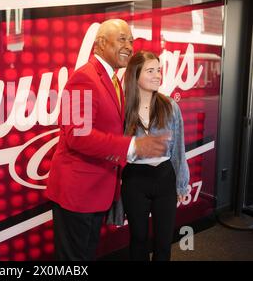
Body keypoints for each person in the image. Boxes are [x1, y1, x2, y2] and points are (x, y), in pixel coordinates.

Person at [46, 19, 170, 261]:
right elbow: (76, 136)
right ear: (100, 43)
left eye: (131, 41)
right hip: (77, 196)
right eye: (122, 39)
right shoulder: (81, 78)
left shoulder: (113, 79)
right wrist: (132, 146)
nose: (129, 46)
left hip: (96, 193)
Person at [122, 50, 190, 261]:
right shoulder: (122, 108)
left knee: (163, 241)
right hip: (135, 179)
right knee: (138, 238)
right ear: (135, 75)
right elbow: (115, 148)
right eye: (150, 70)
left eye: (159, 70)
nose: (157, 75)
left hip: (165, 177)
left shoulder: (170, 106)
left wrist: (181, 183)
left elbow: (179, 150)